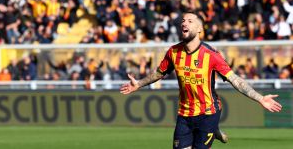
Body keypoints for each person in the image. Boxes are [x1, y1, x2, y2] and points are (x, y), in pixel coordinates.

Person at [120, 12, 282, 149]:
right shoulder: (173, 52)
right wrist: (139, 84)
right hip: (184, 114)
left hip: (208, 113)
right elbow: (159, 73)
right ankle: (215, 131)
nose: (184, 23)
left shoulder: (211, 55)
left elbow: (236, 80)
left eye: (190, 21)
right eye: (183, 21)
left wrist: (260, 98)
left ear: (199, 29)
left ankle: (213, 128)